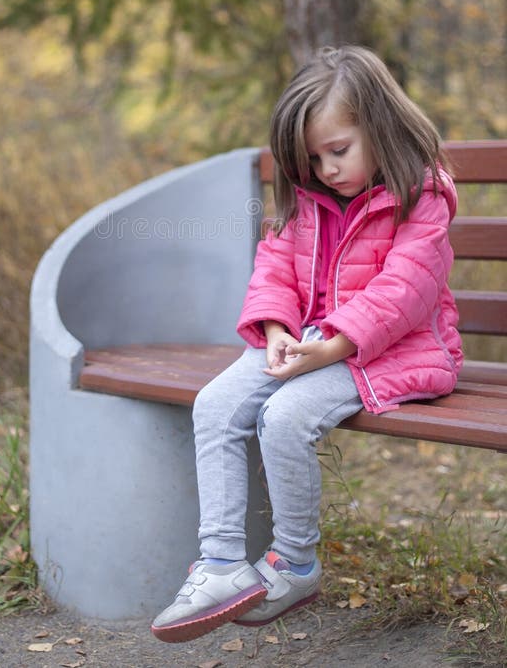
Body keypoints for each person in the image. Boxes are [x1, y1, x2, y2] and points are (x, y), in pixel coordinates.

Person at [151, 44, 462, 643]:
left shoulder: (422, 197)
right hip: (310, 342)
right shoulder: (308, 198)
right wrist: (276, 331)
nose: (325, 169)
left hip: (395, 349)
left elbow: (405, 292)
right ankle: (219, 564)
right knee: (214, 404)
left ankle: (294, 563)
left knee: (286, 414)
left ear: (380, 127)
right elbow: (275, 269)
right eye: (312, 158)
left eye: (338, 151)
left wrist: (333, 346)